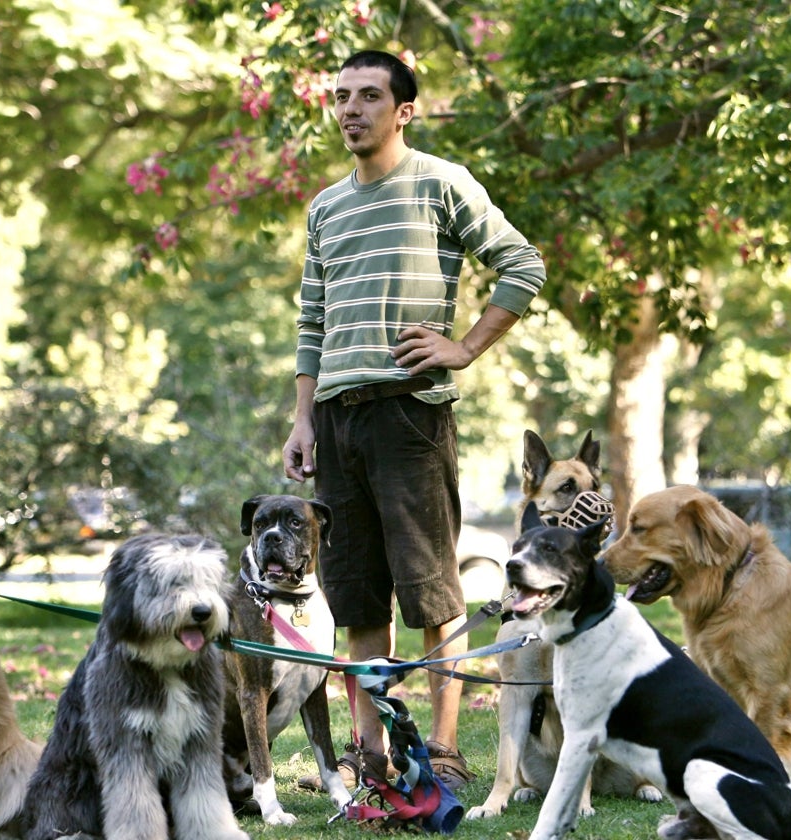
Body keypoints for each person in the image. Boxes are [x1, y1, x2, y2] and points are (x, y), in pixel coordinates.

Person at [282, 50, 546, 793]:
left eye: (369, 96)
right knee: (357, 595)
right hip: (335, 420)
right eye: (340, 97)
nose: (350, 110)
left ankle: (445, 747)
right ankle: (375, 755)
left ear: (403, 111)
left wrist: (463, 347)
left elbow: (521, 264)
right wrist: (302, 419)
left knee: (432, 591)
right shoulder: (325, 208)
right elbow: (312, 320)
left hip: (410, 417)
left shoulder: (441, 182)